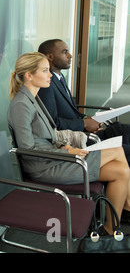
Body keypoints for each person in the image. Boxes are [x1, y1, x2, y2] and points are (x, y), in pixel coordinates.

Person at [8, 52, 130, 235]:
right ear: (29, 75)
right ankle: (124, 213)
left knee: (121, 171)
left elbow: (49, 135)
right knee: (118, 152)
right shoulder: (21, 105)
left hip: (54, 158)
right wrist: (68, 153)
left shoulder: (33, 98)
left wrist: (68, 145)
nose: (50, 75)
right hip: (45, 167)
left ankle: (111, 227)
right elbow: (27, 150)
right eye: (45, 71)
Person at [37, 39, 130, 163]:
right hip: (75, 139)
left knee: (122, 130)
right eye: (65, 52)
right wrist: (84, 124)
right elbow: (52, 123)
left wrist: (88, 119)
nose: (70, 56)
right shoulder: (46, 85)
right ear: (50, 57)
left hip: (81, 129)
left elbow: (71, 111)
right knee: (125, 145)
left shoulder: (60, 78)